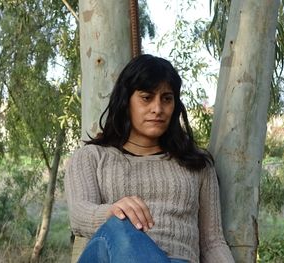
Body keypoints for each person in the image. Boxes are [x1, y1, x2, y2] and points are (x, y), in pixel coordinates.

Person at [65, 54, 235, 263]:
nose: (158, 108)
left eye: (166, 98)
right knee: (119, 224)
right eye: (146, 97)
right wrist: (114, 211)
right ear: (126, 101)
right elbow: (79, 215)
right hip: (109, 256)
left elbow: (212, 243)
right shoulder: (92, 157)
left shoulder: (197, 164)